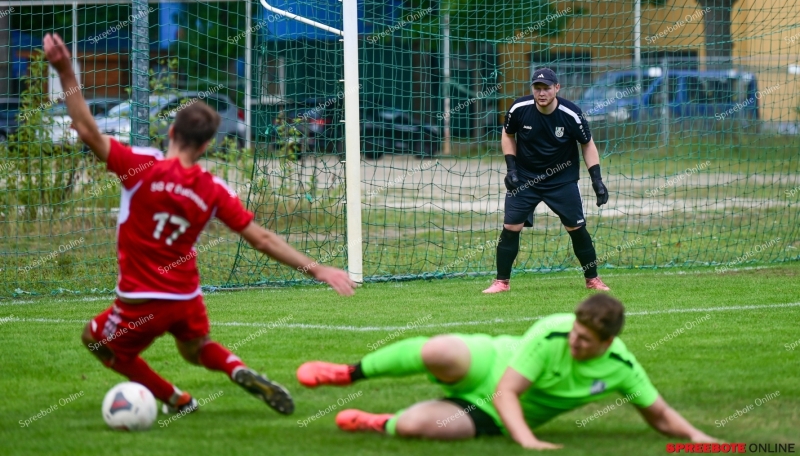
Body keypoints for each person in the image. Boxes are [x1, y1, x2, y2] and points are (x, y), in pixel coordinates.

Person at [43, 32, 356, 416]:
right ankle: (235, 367)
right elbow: (262, 238)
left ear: (172, 131)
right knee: (194, 349)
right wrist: (318, 268)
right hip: (186, 298)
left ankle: (177, 399)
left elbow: (88, 130)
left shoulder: (140, 166)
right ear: (207, 145)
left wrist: (64, 70)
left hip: (141, 300)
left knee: (96, 340)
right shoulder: (213, 189)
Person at [296, 295, 718, 449]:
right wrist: (529, 442)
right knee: (439, 349)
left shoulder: (621, 366)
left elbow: (659, 415)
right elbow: (507, 391)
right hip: (492, 365)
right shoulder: (551, 332)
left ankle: (376, 422)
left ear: (606, 345)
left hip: (495, 412)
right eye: (575, 333)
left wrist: (699, 438)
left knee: (415, 427)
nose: (574, 342)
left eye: (585, 341)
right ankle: (348, 374)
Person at [485, 67, 610, 294]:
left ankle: (593, 279)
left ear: (557, 88)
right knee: (511, 226)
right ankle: (501, 282)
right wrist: (511, 168)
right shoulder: (519, 108)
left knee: (576, 228)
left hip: (562, 180)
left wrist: (597, 180)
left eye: (546, 88)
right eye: (537, 88)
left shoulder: (571, 114)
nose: (541, 93)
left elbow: (587, 143)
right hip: (525, 178)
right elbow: (507, 133)